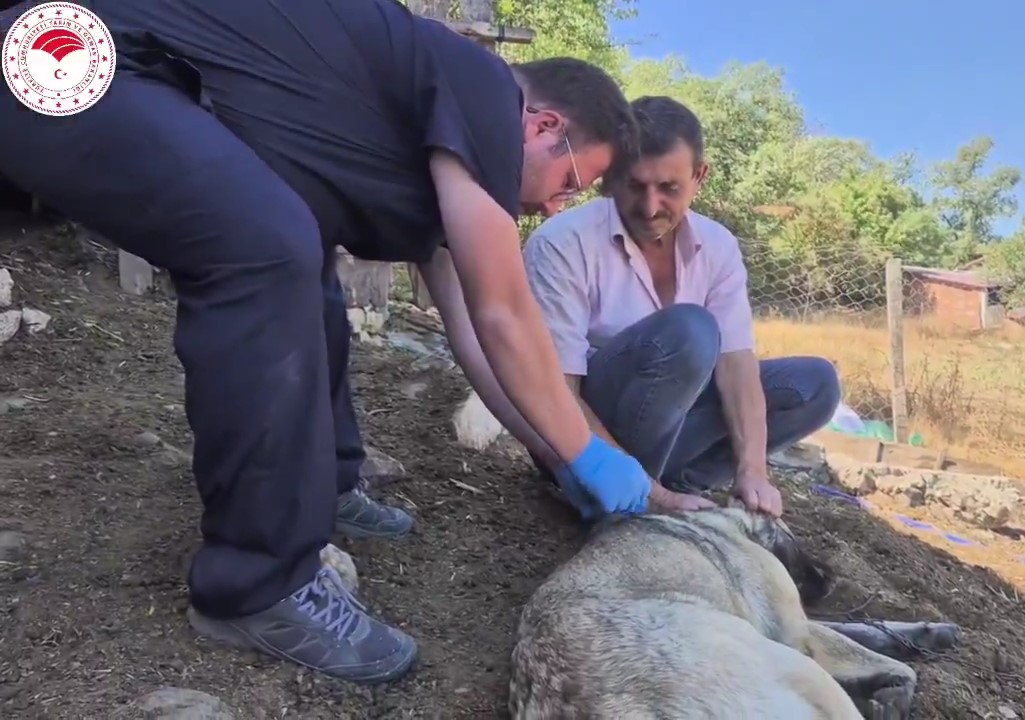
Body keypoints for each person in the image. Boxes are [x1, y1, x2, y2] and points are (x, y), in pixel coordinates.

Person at [0, 0, 653, 685]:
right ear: (544, 125)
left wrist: (558, 455)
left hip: (117, 72)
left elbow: (475, 339)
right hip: (63, 52)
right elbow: (506, 316)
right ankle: (257, 585)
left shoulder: (439, 162)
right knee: (266, 243)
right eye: (570, 184)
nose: (556, 206)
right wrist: (594, 455)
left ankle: (327, 483)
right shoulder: (484, 88)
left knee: (303, 259)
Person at [522, 96, 843, 519]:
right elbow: (554, 392)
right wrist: (646, 492)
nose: (651, 207)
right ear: (611, 175)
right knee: (689, 333)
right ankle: (627, 496)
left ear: (699, 177)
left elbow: (736, 364)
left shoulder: (718, 247)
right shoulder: (562, 243)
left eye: (669, 188)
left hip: (670, 433)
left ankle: (682, 483)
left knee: (816, 384)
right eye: (635, 186)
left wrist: (753, 471)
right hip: (583, 447)